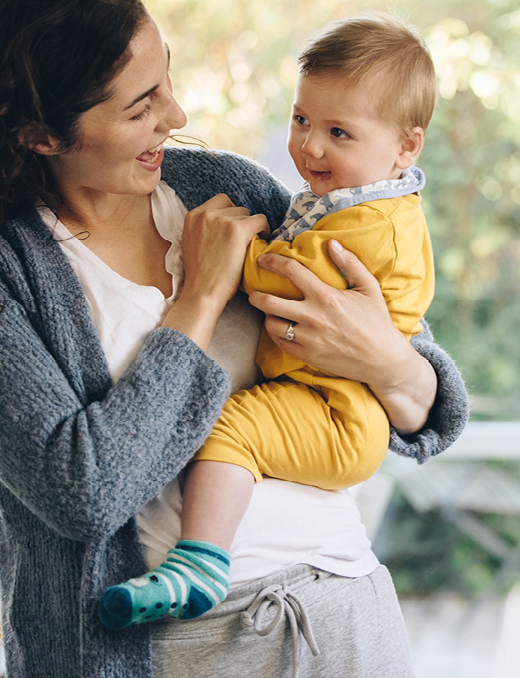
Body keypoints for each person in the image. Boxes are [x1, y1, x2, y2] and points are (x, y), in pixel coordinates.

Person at [0, 1, 468, 677]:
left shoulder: (227, 188)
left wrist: (386, 362)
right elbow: (81, 493)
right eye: (141, 107)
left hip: (344, 616)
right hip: (164, 649)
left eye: (166, 81)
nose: (175, 118)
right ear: (39, 133)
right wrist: (200, 298)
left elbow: (423, 405)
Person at [100, 13, 440, 629]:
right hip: (320, 403)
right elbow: (81, 487)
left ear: (405, 147)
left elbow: (419, 383)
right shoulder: (343, 201)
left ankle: (200, 561)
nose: (310, 146)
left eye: (339, 131)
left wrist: (235, 255)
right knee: (231, 429)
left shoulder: (369, 219)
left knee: (229, 429)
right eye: (301, 119)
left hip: (335, 414)